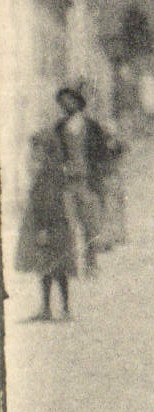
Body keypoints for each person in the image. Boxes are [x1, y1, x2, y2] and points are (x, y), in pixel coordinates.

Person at [15, 132, 78, 320]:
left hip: (51, 227)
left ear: (46, 150)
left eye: (38, 149)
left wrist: (44, 229)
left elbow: (48, 204)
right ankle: (53, 308)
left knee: (53, 268)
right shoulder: (52, 171)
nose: (34, 154)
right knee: (49, 269)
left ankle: (56, 309)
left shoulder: (48, 174)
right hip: (55, 227)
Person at [54, 83, 112, 275]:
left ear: (78, 103)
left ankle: (91, 263)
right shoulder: (59, 128)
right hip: (66, 183)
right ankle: (71, 265)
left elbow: (103, 154)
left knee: (90, 224)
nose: (67, 105)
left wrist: (100, 175)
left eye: (70, 101)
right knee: (69, 224)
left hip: (88, 182)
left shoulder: (92, 127)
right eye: (63, 102)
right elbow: (54, 153)